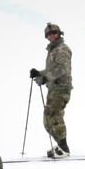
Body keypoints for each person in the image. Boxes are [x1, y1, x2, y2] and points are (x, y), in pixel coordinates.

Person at [30, 22, 73, 158]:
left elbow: (62, 69)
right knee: (47, 120)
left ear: (59, 34)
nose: (52, 36)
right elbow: (51, 70)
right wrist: (39, 74)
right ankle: (60, 145)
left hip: (61, 88)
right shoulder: (53, 50)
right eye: (49, 35)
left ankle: (64, 148)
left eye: (54, 33)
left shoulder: (62, 49)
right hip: (53, 89)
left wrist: (45, 78)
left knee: (55, 117)